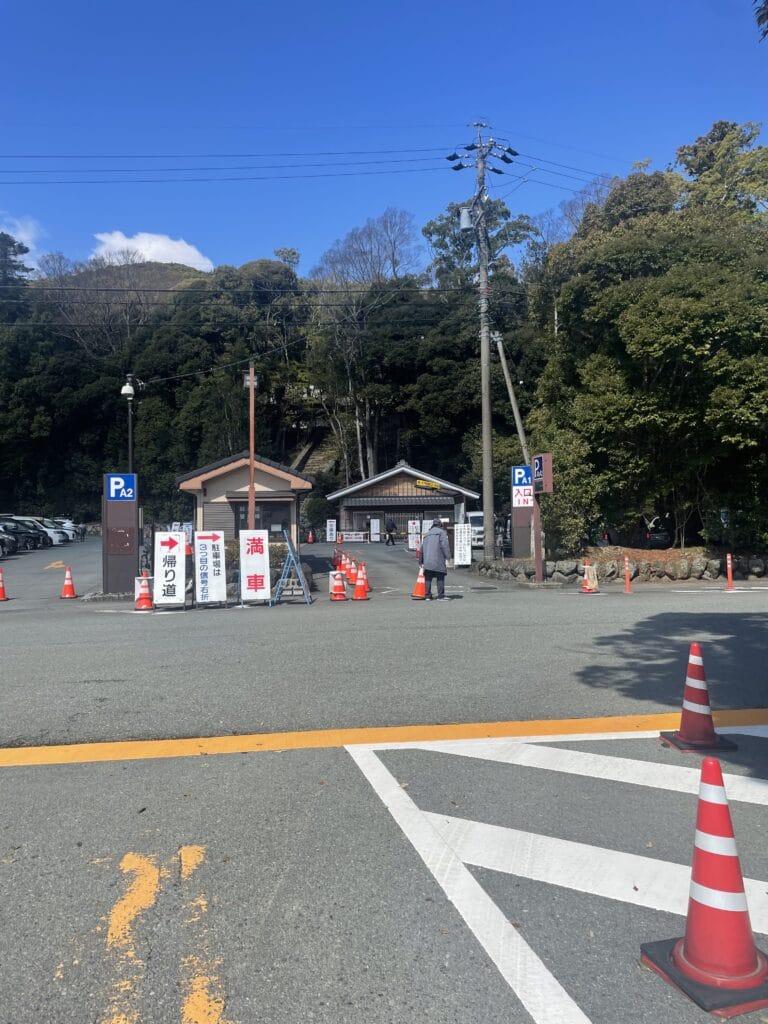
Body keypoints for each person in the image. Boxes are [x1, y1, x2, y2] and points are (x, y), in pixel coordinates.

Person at [419, 518, 451, 600]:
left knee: (428, 577)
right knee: (440, 576)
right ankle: (440, 596)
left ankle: (427, 596)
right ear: (440, 525)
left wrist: (421, 561)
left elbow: (422, 549)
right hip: (438, 559)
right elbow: (445, 546)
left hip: (427, 560)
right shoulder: (441, 533)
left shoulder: (427, 534)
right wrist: (448, 557)